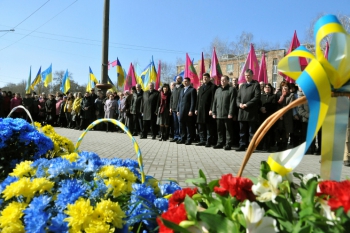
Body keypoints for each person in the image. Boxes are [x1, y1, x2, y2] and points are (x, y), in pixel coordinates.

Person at [236, 69, 261, 151]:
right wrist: (239, 104)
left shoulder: (255, 85)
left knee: (251, 131)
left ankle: (251, 147)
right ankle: (242, 145)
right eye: (246, 75)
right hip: (242, 111)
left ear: (252, 75)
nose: (247, 77)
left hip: (251, 112)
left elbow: (256, 97)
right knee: (242, 131)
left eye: (248, 75)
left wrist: (247, 104)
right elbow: (238, 98)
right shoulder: (242, 86)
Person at [212, 75, 237, 150]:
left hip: (227, 114)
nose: (222, 81)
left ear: (227, 81)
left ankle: (228, 144)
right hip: (218, 113)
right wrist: (213, 112)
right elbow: (214, 102)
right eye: (221, 80)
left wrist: (231, 113)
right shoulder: (218, 90)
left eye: (224, 80)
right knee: (219, 129)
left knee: (228, 130)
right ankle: (220, 143)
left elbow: (232, 102)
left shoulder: (231, 89)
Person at [195, 73, 217, 147]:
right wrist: (196, 109)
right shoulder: (201, 87)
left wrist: (211, 109)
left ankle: (209, 141)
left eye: (206, 77)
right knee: (201, 126)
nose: (205, 79)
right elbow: (198, 99)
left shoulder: (213, 87)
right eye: (204, 78)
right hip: (200, 110)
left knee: (209, 126)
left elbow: (213, 99)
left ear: (209, 78)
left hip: (208, 110)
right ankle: (202, 140)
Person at [177, 77, 197, 145]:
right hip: (181, 110)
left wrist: (191, 110)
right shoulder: (182, 89)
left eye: (186, 81)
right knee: (181, 125)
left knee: (189, 126)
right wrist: (178, 110)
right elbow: (179, 101)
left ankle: (189, 139)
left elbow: (193, 101)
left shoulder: (192, 90)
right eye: (184, 81)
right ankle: (183, 138)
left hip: (188, 111)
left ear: (189, 82)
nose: (184, 82)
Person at [258, 83, 276, 151]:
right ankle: (261, 145)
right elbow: (258, 104)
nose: (267, 88)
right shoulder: (261, 96)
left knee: (268, 132)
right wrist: (261, 108)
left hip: (269, 116)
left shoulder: (273, 96)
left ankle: (268, 146)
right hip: (261, 116)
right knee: (261, 131)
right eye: (266, 87)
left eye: (268, 87)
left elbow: (273, 105)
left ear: (271, 89)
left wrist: (265, 109)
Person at [276, 85, 295, 151]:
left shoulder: (291, 95)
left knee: (287, 131)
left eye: (286, 89)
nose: (284, 90)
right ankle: (279, 145)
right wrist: (280, 115)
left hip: (287, 116)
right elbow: (277, 105)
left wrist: (282, 113)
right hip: (279, 116)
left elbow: (290, 106)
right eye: (283, 89)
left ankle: (284, 145)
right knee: (279, 130)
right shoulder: (279, 95)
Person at [170, 76, 184, 142]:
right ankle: (176, 136)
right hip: (174, 109)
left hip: (180, 109)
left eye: (179, 79)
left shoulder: (183, 88)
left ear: (181, 80)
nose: (178, 80)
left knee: (180, 123)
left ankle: (181, 137)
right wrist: (171, 107)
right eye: (177, 79)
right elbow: (171, 99)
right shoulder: (174, 89)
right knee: (175, 124)